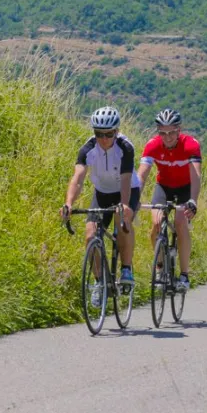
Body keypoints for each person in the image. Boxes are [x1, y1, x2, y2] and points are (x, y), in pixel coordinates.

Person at [60, 106, 140, 306]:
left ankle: (126, 269)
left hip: (127, 189)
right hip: (102, 192)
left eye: (109, 134)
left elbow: (125, 179)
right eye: (99, 134)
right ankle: (99, 282)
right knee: (90, 235)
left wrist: (124, 205)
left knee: (122, 220)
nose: (104, 139)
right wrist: (68, 203)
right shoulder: (87, 149)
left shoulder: (125, 147)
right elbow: (78, 179)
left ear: (117, 131)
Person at [137, 108, 202, 293]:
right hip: (163, 187)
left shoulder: (191, 145)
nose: (167, 137)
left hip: (185, 188)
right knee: (156, 223)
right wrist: (134, 198)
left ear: (179, 129)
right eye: (163, 133)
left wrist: (193, 201)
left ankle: (184, 275)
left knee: (180, 223)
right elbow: (141, 175)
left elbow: (196, 176)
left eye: (171, 132)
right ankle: (160, 267)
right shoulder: (152, 145)